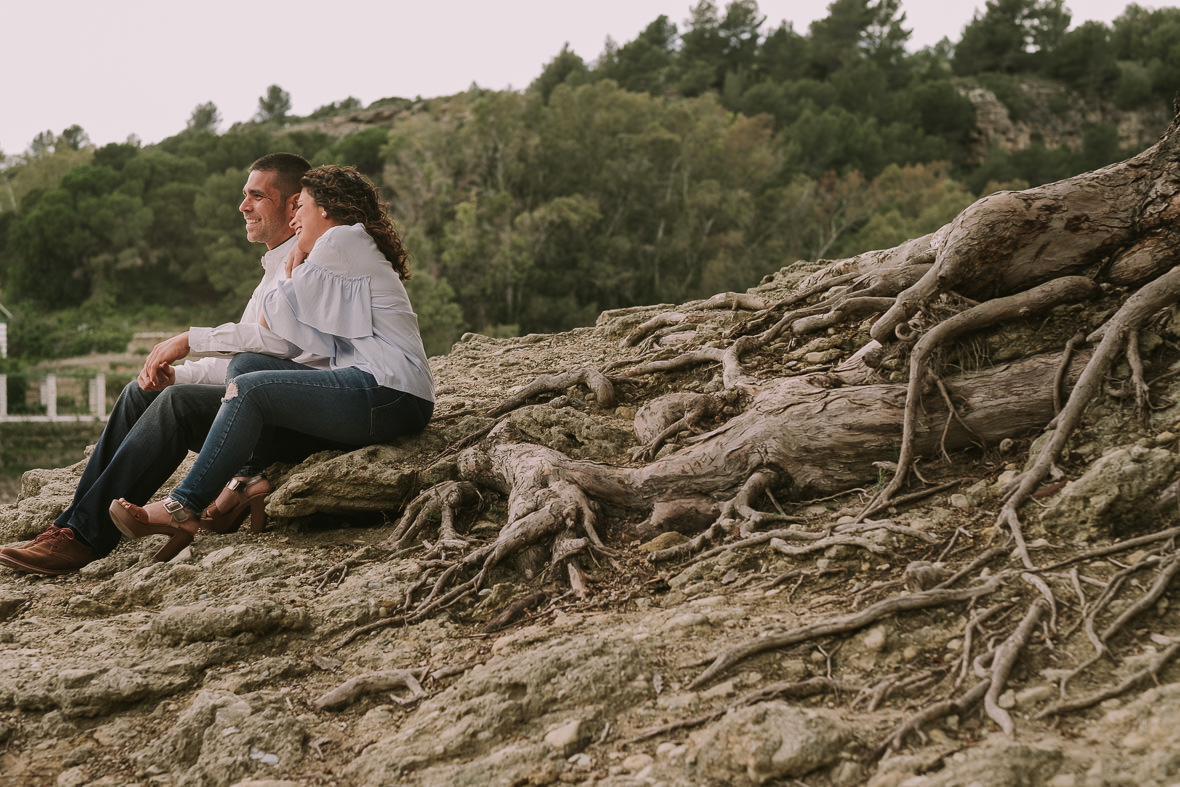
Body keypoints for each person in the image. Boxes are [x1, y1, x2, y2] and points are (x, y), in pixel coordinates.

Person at [0, 153, 325, 575]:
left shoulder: (306, 264)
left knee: (177, 404)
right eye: (244, 195)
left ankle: (85, 539)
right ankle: (69, 528)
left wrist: (191, 339)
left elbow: (285, 346)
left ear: (294, 202)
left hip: (301, 416)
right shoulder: (274, 268)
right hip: (259, 406)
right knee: (143, 392)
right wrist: (177, 375)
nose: (242, 206)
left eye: (257, 196)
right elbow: (244, 366)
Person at [109, 164, 435, 562]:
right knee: (248, 366)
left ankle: (183, 507)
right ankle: (248, 477)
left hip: (391, 390)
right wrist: (298, 260)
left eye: (303, 208)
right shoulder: (341, 252)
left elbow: (271, 317)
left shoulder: (341, 239)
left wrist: (296, 257)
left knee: (252, 388)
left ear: (325, 211)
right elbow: (292, 336)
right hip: (383, 395)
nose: (295, 220)